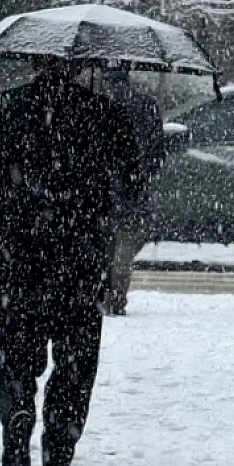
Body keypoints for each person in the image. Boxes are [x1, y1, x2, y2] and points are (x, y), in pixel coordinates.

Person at [0, 57, 144, 466]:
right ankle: (59, 451)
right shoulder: (103, 115)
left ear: (32, 59)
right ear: (81, 66)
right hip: (80, 260)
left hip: (20, 259)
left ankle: (16, 413)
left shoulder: (2, 110)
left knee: (14, 356)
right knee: (75, 364)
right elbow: (132, 184)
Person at [98, 70, 166, 316]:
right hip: (132, 189)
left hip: (102, 189)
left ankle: (104, 290)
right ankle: (117, 295)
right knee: (125, 246)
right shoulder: (146, 106)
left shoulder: (97, 107)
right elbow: (158, 151)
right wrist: (143, 174)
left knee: (103, 244)